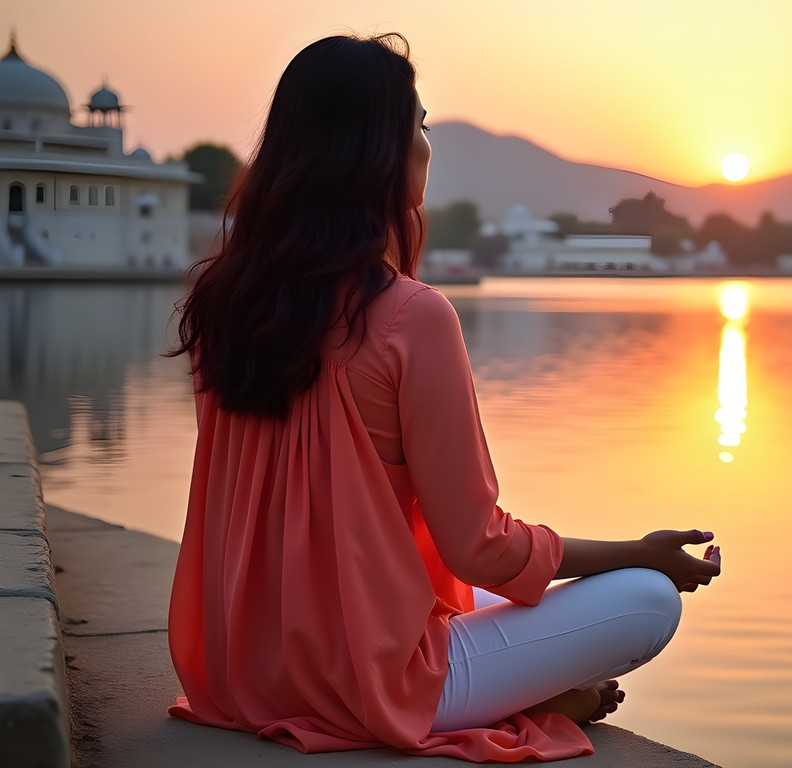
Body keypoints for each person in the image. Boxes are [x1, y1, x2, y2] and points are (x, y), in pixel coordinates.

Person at [167, 33, 721, 762]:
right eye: (419, 125)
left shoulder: (224, 303)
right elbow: (479, 546)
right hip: (362, 677)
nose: (429, 144)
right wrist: (632, 553)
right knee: (646, 600)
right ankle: (520, 695)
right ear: (378, 152)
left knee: (504, 597)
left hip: (241, 663)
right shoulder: (409, 315)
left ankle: (524, 686)